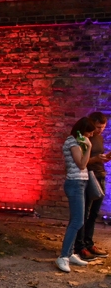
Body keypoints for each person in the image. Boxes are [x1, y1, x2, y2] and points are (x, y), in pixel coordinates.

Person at [56, 117, 96, 272]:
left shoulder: (77, 142)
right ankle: (63, 256)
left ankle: (70, 252)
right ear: (81, 131)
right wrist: (89, 147)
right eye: (89, 132)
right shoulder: (72, 142)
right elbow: (81, 164)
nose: (91, 135)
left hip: (80, 183)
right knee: (77, 221)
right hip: (75, 183)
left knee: (77, 219)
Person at [75, 111, 110, 260]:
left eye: (103, 127)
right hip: (89, 177)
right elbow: (80, 162)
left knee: (94, 213)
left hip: (100, 175)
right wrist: (95, 159)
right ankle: (80, 246)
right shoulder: (84, 138)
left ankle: (89, 243)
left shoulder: (99, 138)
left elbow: (97, 158)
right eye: (97, 127)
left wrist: (105, 158)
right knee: (85, 212)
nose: (100, 130)